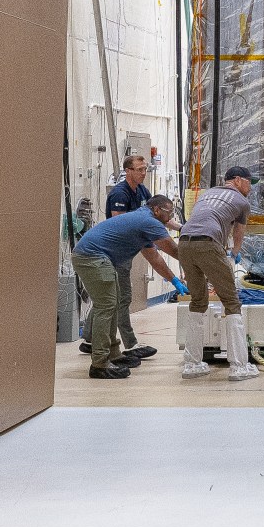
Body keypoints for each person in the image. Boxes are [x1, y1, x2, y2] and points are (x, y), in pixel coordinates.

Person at [70, 195, 184, 379]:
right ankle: (99, 363)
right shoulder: (150, 222)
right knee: (105, 307)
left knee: (114, 305)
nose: (171, 217)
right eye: (169, 212)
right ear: (157, 210)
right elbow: (175, 250)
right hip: (92, 257)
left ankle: (113, 353)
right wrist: (200, 262)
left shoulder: (142, 221)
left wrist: (174, 281)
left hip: (97, 257)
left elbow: (154, 258)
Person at [178, 167, 260, 381]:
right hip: (208, 243)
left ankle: (192, 364)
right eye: (249, 182)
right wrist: (233, 254)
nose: (250, 187)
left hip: (185, 243)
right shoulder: (242, 202)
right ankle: (239, 366)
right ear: (239, 180)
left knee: (198, 302)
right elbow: (238, 233)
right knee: (231, 302)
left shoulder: (209, 193)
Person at [82, 154, 154, 360]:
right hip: (113, 254)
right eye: (139, 169)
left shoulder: (141, 191)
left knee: (105, 299)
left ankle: (89, 338)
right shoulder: (119, 194)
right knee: (121, 298)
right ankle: (130, 344)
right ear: (128, 171)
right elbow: (122, 226)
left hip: (125, 251)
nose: (143, 173)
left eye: (145, 169)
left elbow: (153, 215)